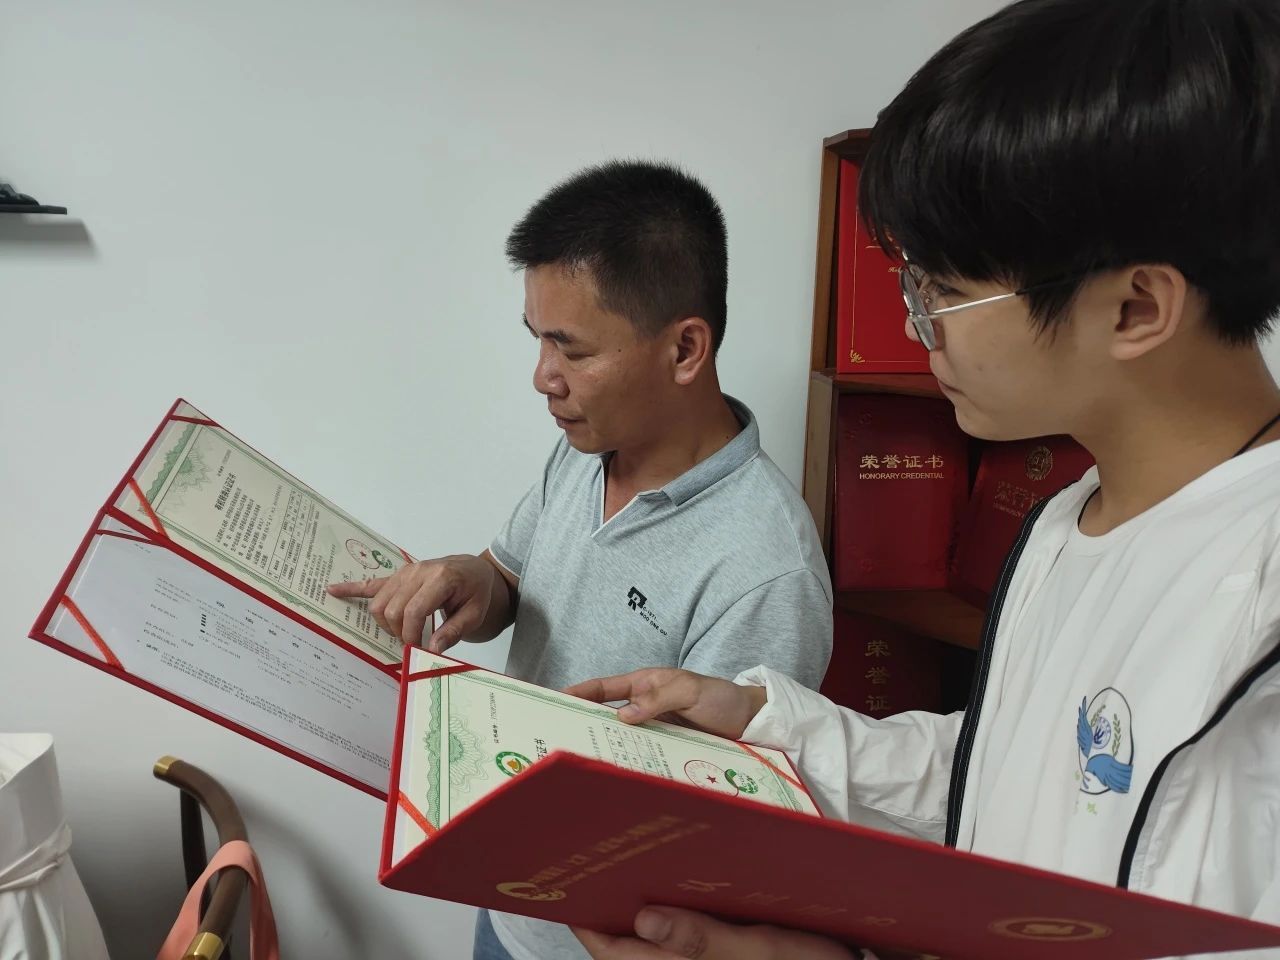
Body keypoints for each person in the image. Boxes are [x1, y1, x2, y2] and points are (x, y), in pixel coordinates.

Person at [566, 0, 1280, 957]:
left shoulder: (1260, 598)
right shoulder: (1070, 521)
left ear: (1135, 308)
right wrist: (770, 724)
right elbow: (1013, 779)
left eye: (942, 292)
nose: (914, 325)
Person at [328, 160, 833, 960]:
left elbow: (709, 829)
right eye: (537, 340)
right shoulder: (585, 449)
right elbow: (509, 579)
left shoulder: (768, 569)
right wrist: (470, 578)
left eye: (571, 349)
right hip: (507, 907)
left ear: (685, 349)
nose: (543, 379)